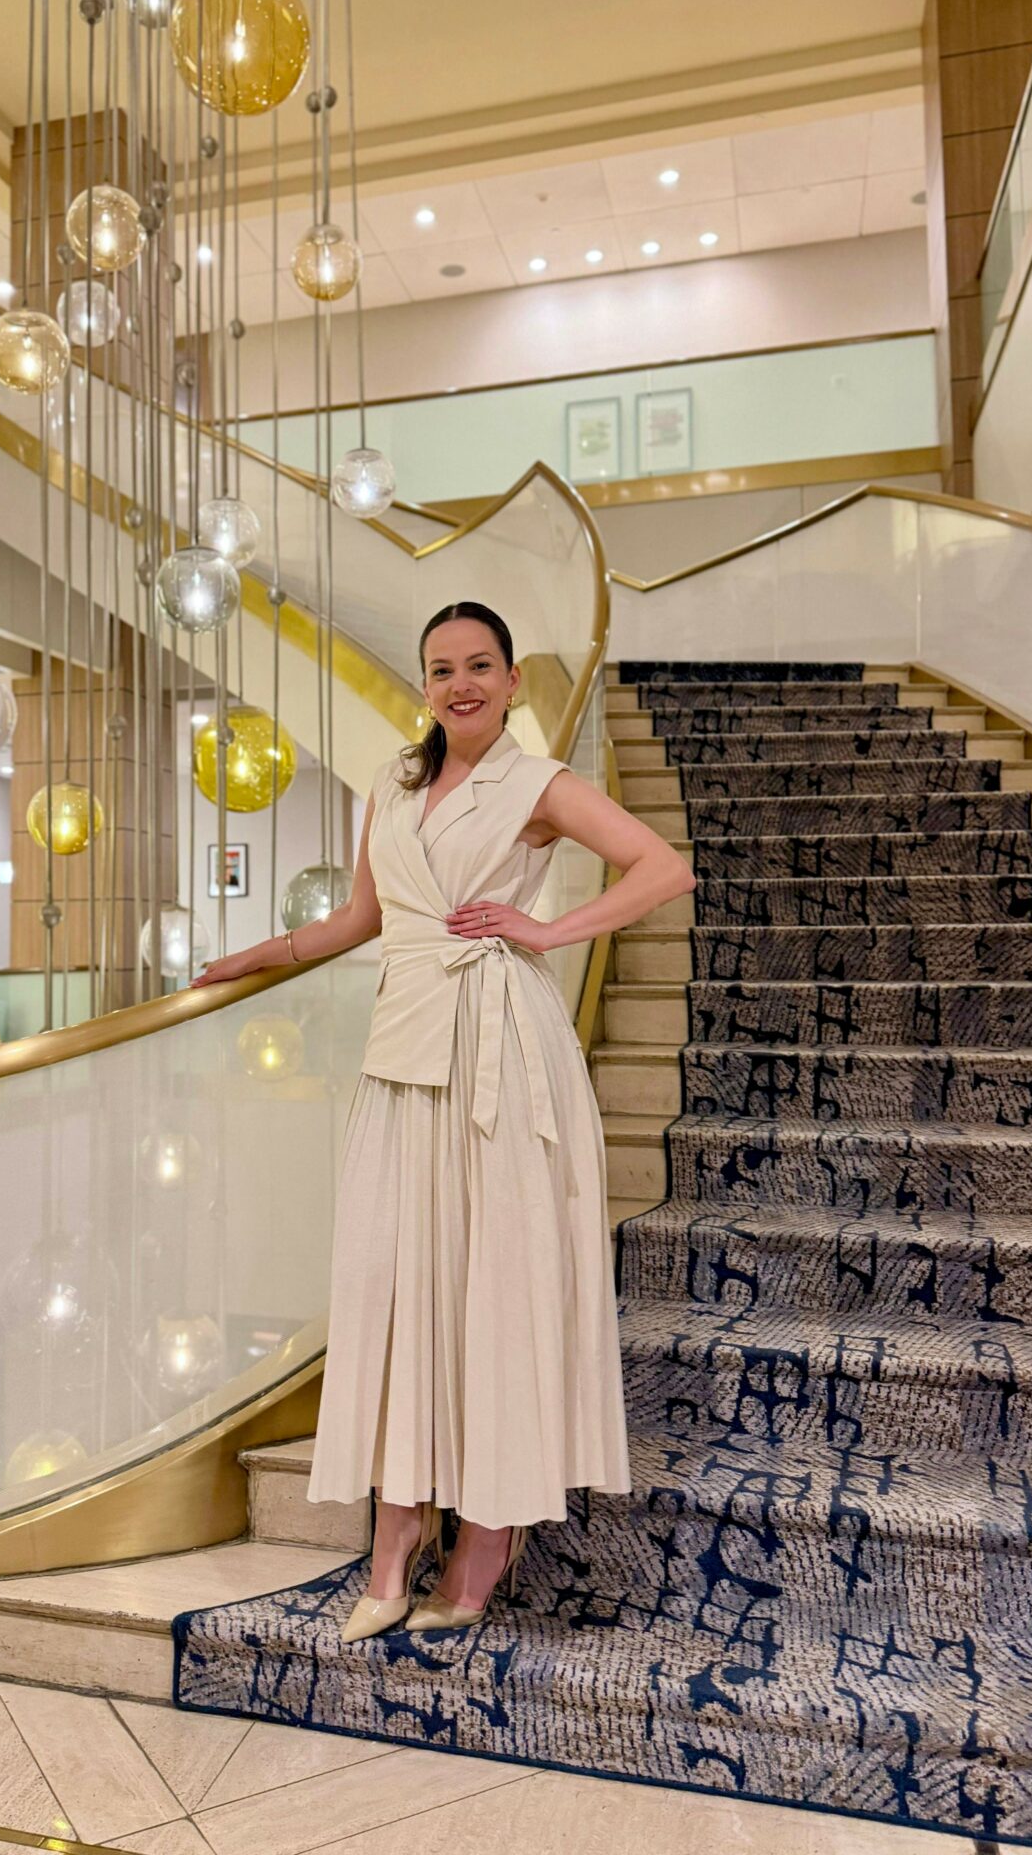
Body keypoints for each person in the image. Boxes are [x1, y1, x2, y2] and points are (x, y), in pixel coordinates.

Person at [193, 601, 696, 1635]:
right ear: (426, 685)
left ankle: (486, 1540)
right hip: (403, 1043)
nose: (460, 683)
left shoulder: (538, 783)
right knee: (396, 1279)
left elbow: (664, 867)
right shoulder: (394, 780)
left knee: (494, 1277)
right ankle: (399, 1527)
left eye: (479, 665)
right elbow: (362, 918)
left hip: (499, 1043)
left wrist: (548, 929)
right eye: (441, 668)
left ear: (510, 680)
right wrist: (253, 956)